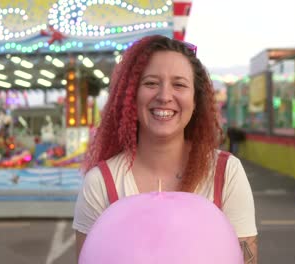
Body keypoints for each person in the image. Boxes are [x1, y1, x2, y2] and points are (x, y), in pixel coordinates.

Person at [72, 35, 258, 263]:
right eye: (151, 83)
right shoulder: (100, 182)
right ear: (132, 96)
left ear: (195, 99)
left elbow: (246, 258)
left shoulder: (226, 173)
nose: (164, 96)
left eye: (179, 84)